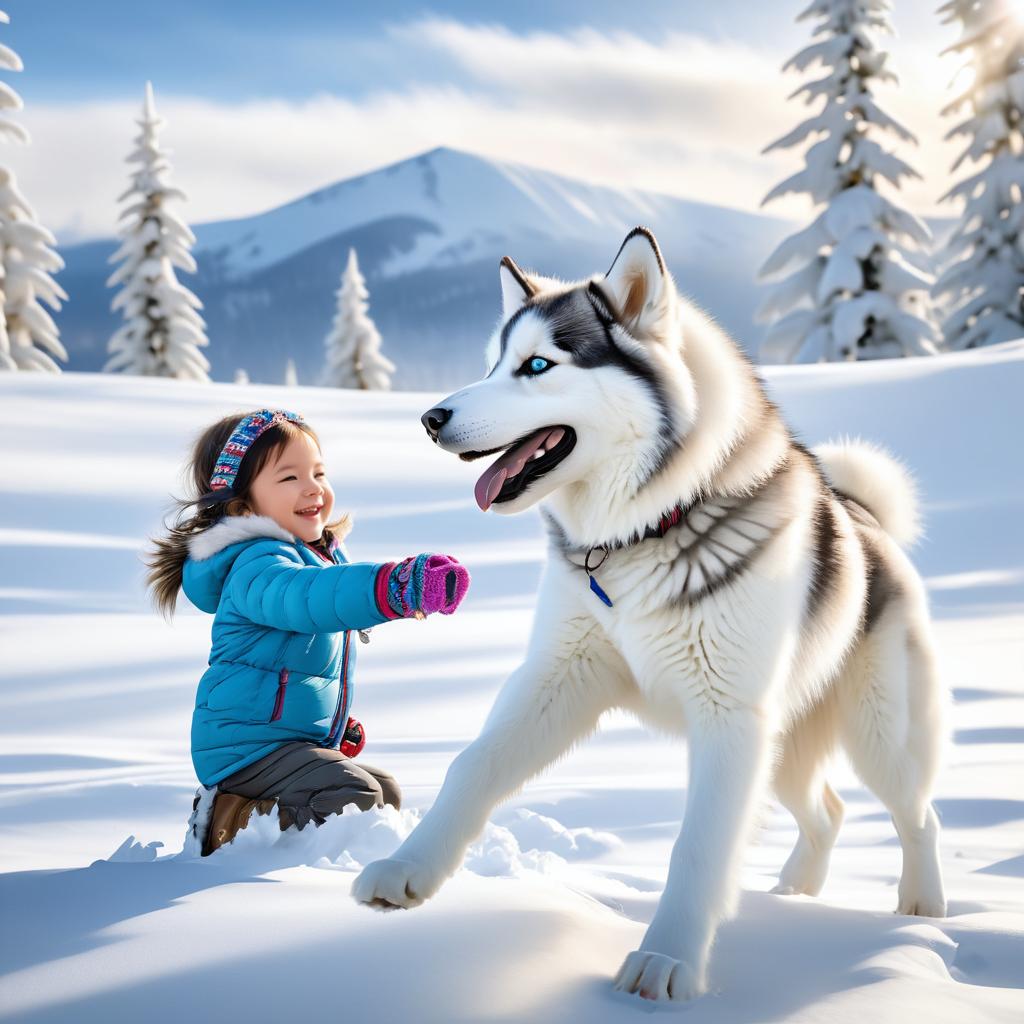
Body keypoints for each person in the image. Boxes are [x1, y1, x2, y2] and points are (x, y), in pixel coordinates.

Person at [144, 408, 470, 855]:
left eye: (318, 472)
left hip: (281, 741)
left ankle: (325, 859)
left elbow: (293, 663)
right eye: (289, 478)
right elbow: (309, 599)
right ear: (242, 504)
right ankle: (233, 824)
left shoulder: (310, 557)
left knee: (384, 793)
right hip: (246, 750)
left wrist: (330, 723)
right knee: (353, 796)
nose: (313, 488)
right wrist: (397, 587)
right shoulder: (256, 563)